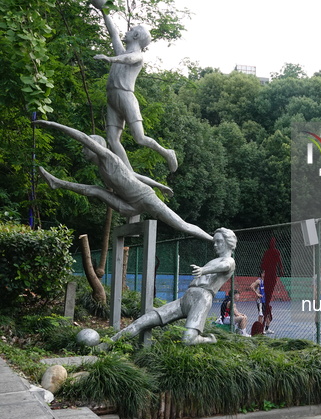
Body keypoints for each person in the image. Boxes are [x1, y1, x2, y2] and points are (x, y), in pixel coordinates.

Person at [34, 120, 212, 242]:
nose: (83, 151)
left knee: (181, 225)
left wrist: (51, 124)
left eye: (85, 148)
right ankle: (56, 182)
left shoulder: (108, 158)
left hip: (145, 198)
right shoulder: (101, 169)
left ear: (94, 147)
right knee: (96, 190)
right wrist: (160, 185)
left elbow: (83, 137)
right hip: (130, 206)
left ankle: (212, 239)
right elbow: (134, 175)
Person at [102, 228, 236, 346]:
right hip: (186, 298)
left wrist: (203, 270)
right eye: (215, 242)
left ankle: (208, 340)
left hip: (202, 299)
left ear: (229, 243)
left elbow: (225, 266)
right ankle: (106, 345)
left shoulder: (229, 261)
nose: (215, 245)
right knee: (142, 322)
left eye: (219, 242)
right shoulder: (214, 260)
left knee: (187, 340)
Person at [91, 0, 178, 172]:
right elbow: (113, 33)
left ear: (136, 36)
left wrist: (111, 59)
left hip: (125, 97)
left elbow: (128, 59)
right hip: (112, 98)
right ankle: (128, 173)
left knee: (140, 138)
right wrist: (104, 11)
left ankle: (167, 152)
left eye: (131, 31)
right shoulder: (122, 52)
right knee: (112, 140)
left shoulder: (137, 56)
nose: (127, 31)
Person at [260, 237, 283, 332]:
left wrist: (280, 270)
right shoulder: (274, 252)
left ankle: (266, 319)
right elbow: (279, 263)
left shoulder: (269, 253)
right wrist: (281, 270)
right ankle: (267, 316)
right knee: (267, 298)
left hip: (271, 276)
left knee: (268, 297)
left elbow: (263, 265)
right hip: (271, 275)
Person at [251, 270, 273, 334]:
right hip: (260, 301)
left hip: (266, 301)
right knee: (261, 315)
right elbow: (252, 286)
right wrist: (257, 294)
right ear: (261, 274)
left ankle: (266, 329)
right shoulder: (259, 281)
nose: (265, 274)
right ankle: (260, 330)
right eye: (264, 273)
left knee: (269, 315)